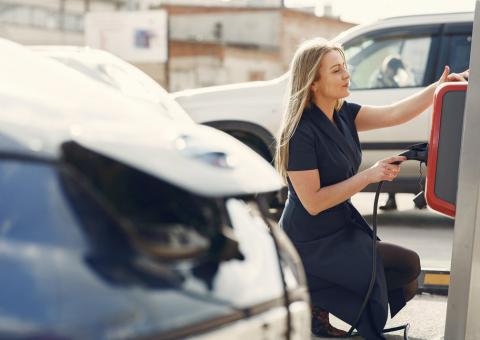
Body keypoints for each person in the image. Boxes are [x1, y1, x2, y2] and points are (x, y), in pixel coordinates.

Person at [274, 38, 465, 339]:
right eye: (336, 70)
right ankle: (314, 295)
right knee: (399, 268)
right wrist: (369, 176)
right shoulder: (300, 131)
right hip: (310, 241)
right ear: (313, 82)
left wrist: (438, 88)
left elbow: (394, 114)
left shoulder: (344, 114)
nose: (346, 75)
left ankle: (315, 300)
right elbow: (312, 203)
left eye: (344, 67)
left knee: (407, 269)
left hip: (339, 229)